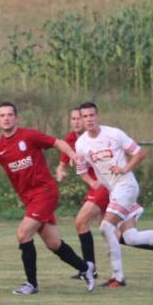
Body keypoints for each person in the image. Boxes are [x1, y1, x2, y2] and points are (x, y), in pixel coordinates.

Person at [0, 102, 95, 294]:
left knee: (23, 234)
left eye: (10, 114)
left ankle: (31, 284)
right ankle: (85, 269)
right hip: (30, 199)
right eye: (2, 115)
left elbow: (57, 142)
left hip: (45, 193)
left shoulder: (29, 136)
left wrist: (73, 155)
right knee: (53, 243)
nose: (6, 118)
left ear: (16, 118)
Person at [74, 102, 153, 288]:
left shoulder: (114, 134)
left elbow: (139, 153)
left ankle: (118, 277)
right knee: (130, 237)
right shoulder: (81, 144)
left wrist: (124, 168)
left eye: (91, 115)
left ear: (98, 116)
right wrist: (91, 182)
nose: (88, 119)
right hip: (114, 192)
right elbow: (81, 169)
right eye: (84, 116)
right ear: (81, 119)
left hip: (126, 186)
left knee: (105, 227)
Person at [56, 106, 108, 277]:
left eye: (80, 118)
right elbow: (62, 164)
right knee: (119, 234)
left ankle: (89, 269)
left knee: (80, 222)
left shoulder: (94, 138)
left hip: (103, 186)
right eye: (74, 118)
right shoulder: (71, 139)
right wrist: (61, 171)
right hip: (94, 186)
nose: (77, 121)